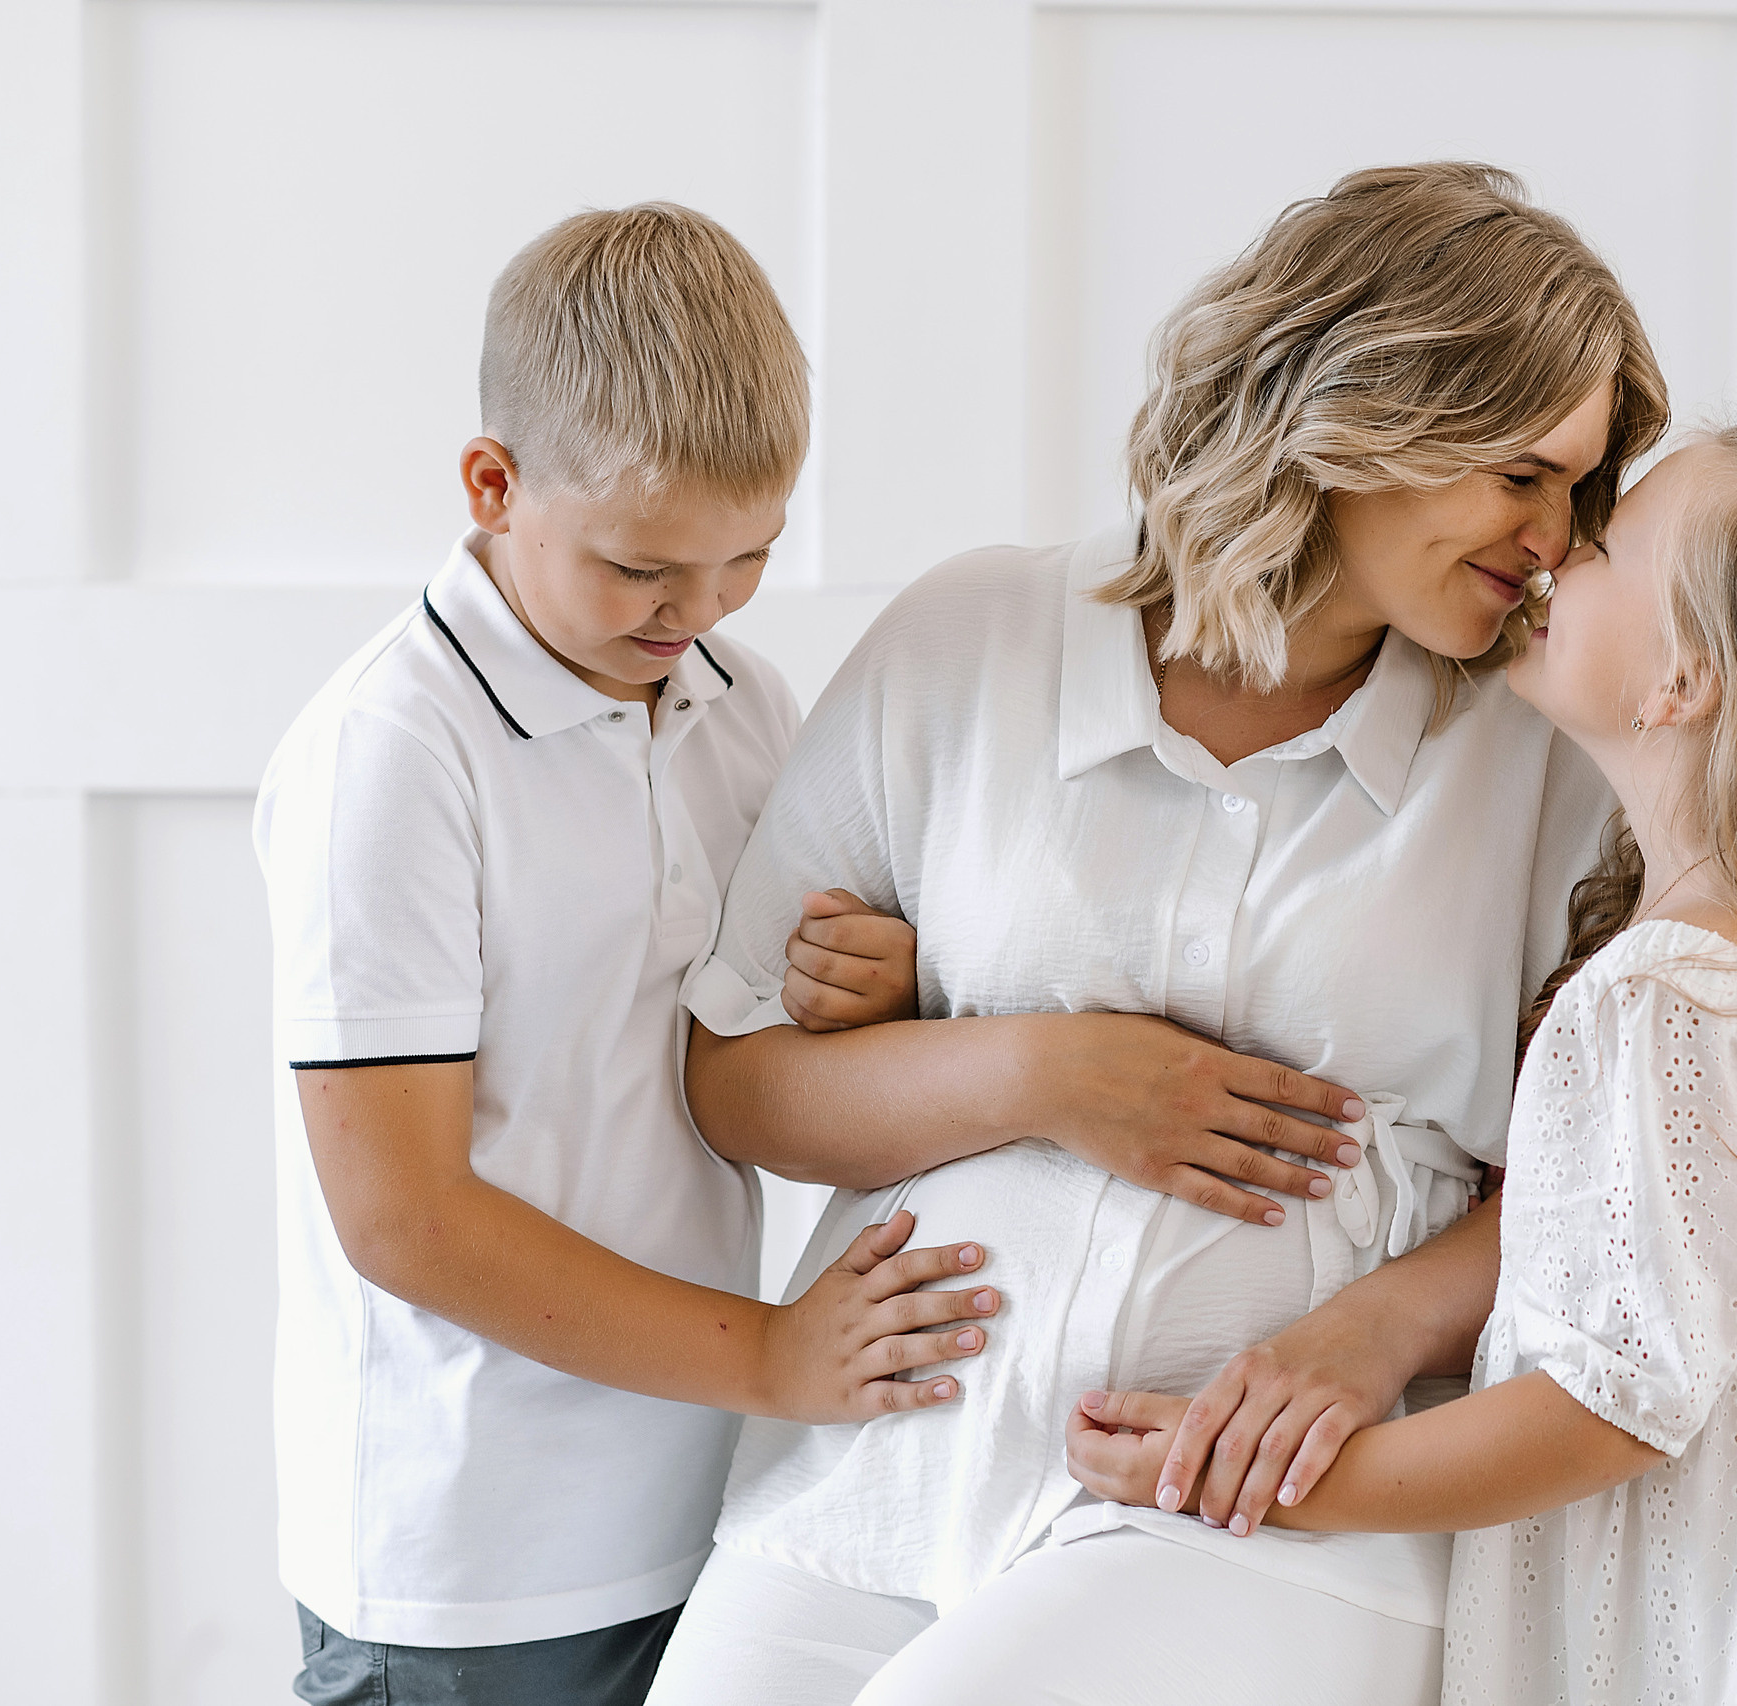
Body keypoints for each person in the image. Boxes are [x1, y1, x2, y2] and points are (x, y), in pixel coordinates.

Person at [643, 163, 1668, 1706]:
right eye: (1522, 474)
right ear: (1366, 410)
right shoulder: (971, 637)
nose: (1554, 538)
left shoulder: (1541, 755)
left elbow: (1614, 1180)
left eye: (1578, 492)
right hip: (882, 1467)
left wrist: (1374, 1339)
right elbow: (739, 1076)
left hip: (1251, 1494)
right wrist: (1044, 1069)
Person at [1072, 423, 1737, 1702]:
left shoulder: (1655, 1000)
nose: (1558, 551)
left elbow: (1609, 1403)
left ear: (1681, 678)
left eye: (1606, 542)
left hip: (1723, 1627)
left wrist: (1281, 1483)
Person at [254, 203, 1002, 1706]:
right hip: (469, 1558)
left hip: (704, 1510)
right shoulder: (392, 753)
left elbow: (743, 1049)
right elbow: (403, 1215)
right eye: (646, 567)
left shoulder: (742, 698)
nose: (701, 610)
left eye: (748, 559)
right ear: (493, 484)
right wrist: (777, 1358)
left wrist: (870, 987)